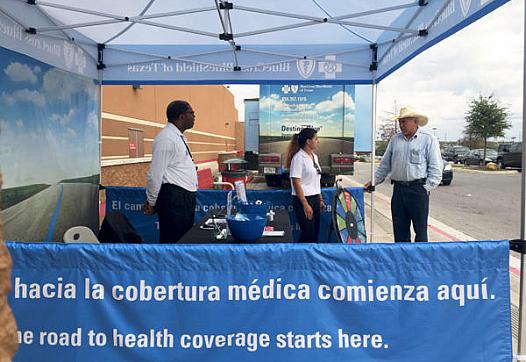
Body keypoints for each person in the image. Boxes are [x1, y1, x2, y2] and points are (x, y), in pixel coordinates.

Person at [364, 106, 442, 242]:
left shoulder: (428, 139)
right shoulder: (395, 140)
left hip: (418, 190)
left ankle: (419, 261)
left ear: (415, 122)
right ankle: (402, 261)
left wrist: (426, 189)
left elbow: (435, 168)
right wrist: (373, 181)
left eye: (404, 122)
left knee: (420, 231)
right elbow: (385, 165)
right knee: (399, 231)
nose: (401, 125)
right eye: (400, 122)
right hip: (399, 191)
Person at [144, 100, 198, 243]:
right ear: (181, 116)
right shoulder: (166, 139)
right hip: (174, 199)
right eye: (191, 113)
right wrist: (152, 202)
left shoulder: (178, 137)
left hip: (184, 198)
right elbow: (155, 174)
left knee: (184, 241)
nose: (194, 116)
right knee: (173, 242)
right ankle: (169, 266)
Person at [286, 127, 326, 242]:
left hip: (315, 198)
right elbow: (296, 182)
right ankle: (298, 256)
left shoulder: (314, 157)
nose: (318, 141)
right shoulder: (298, 158)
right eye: (316, 139)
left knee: (315, 233)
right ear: (308, 141)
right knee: (308, 234)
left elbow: (315, 180)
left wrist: (320, 199)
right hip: (303, 199)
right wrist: (305, 204)